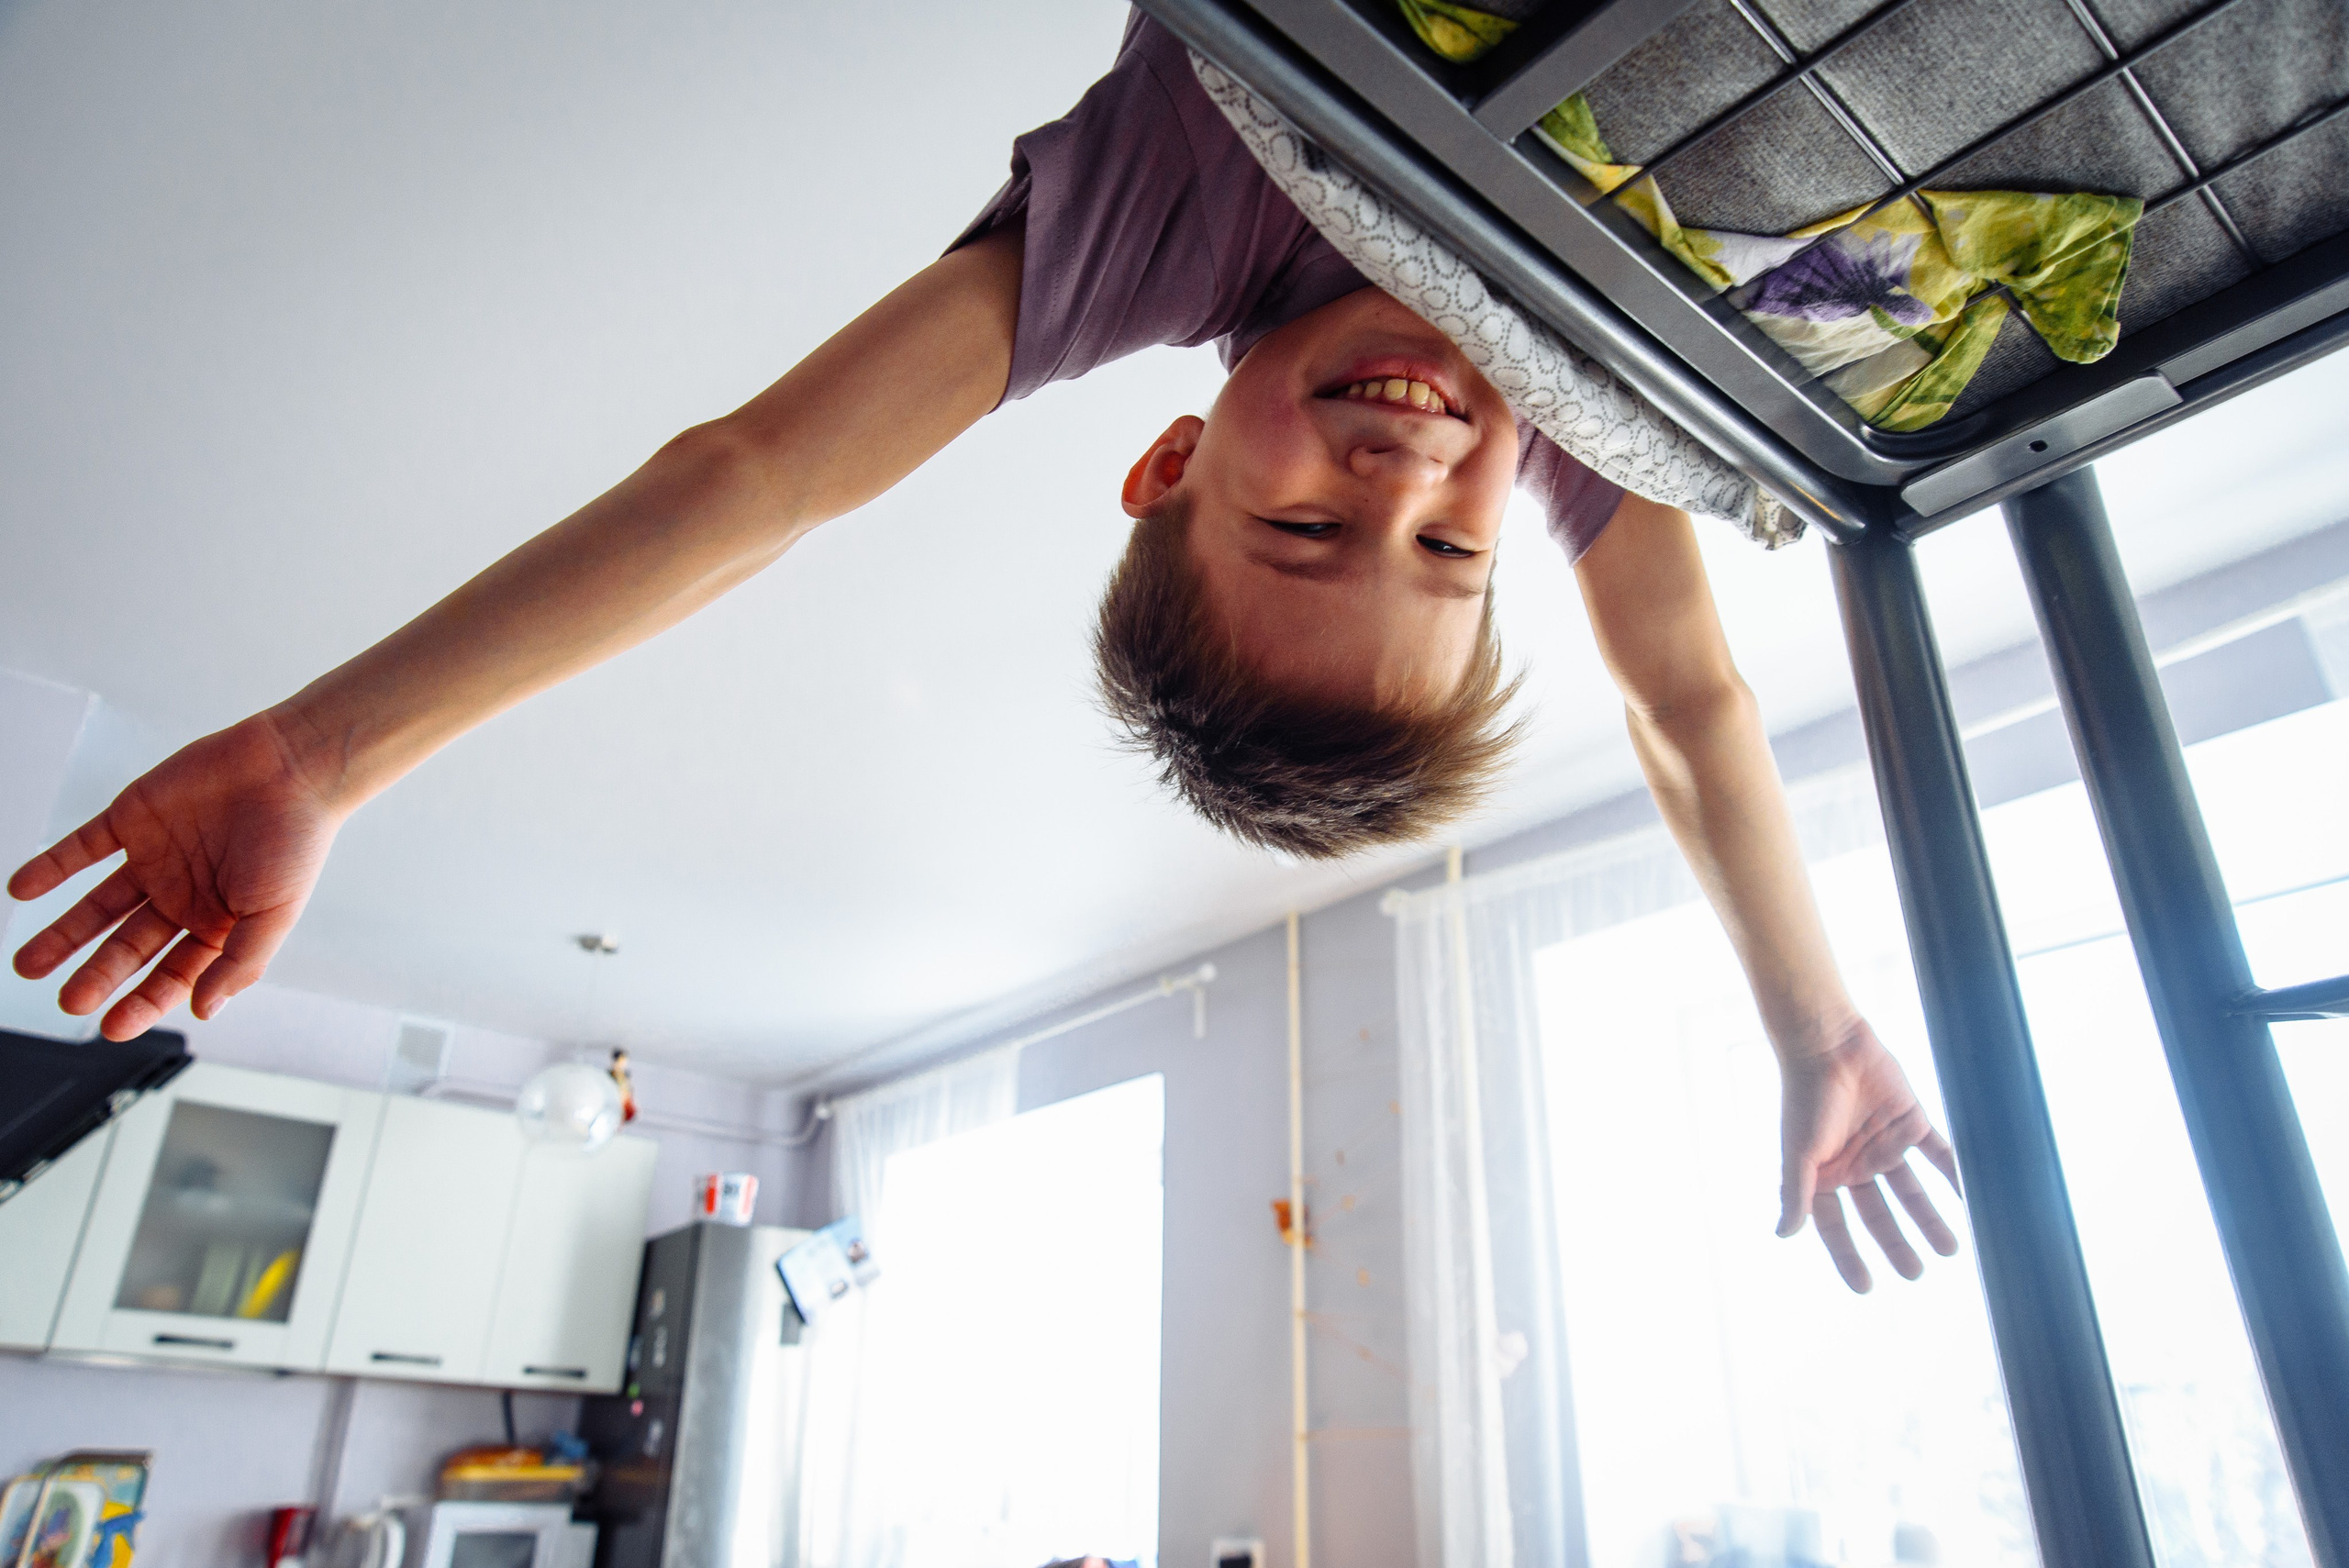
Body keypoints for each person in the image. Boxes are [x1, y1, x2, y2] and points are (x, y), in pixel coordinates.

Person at [6, 12, 1957, 1292]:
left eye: (1299, 529)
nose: (1404, 471)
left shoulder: (1176, 215)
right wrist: (1814, 1029)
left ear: (1166, 458)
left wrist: (332, 751)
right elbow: (1683, 698)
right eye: (1447, 551)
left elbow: (759, 477)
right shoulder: (1575, 395)